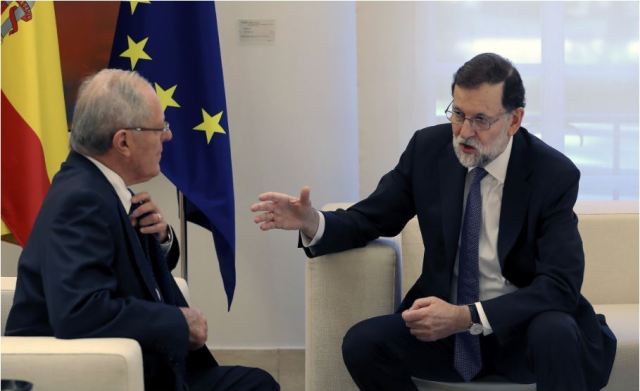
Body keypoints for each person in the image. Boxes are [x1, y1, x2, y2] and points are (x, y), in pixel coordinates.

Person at [251, 53, 616, 391]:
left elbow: (559, 286)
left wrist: (465, 315)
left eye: (481, 120)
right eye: (458, 113)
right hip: (446, 334)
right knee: (363, 344)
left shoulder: (552, 174)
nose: (464, 132)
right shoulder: (428, 150)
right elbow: (371, 217)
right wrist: (312, 221)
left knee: (555, 330)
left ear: (515, 120)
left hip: (521, 330)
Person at [6, 69, 279, 391]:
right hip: (93, 375)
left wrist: (161, 238)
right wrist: (179, 322)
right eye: (159, 127)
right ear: (123, 141)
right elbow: (80, 311)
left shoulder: (101, 186)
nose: (168, 136)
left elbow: (132, 270)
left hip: (143, 364)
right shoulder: (82, 200)